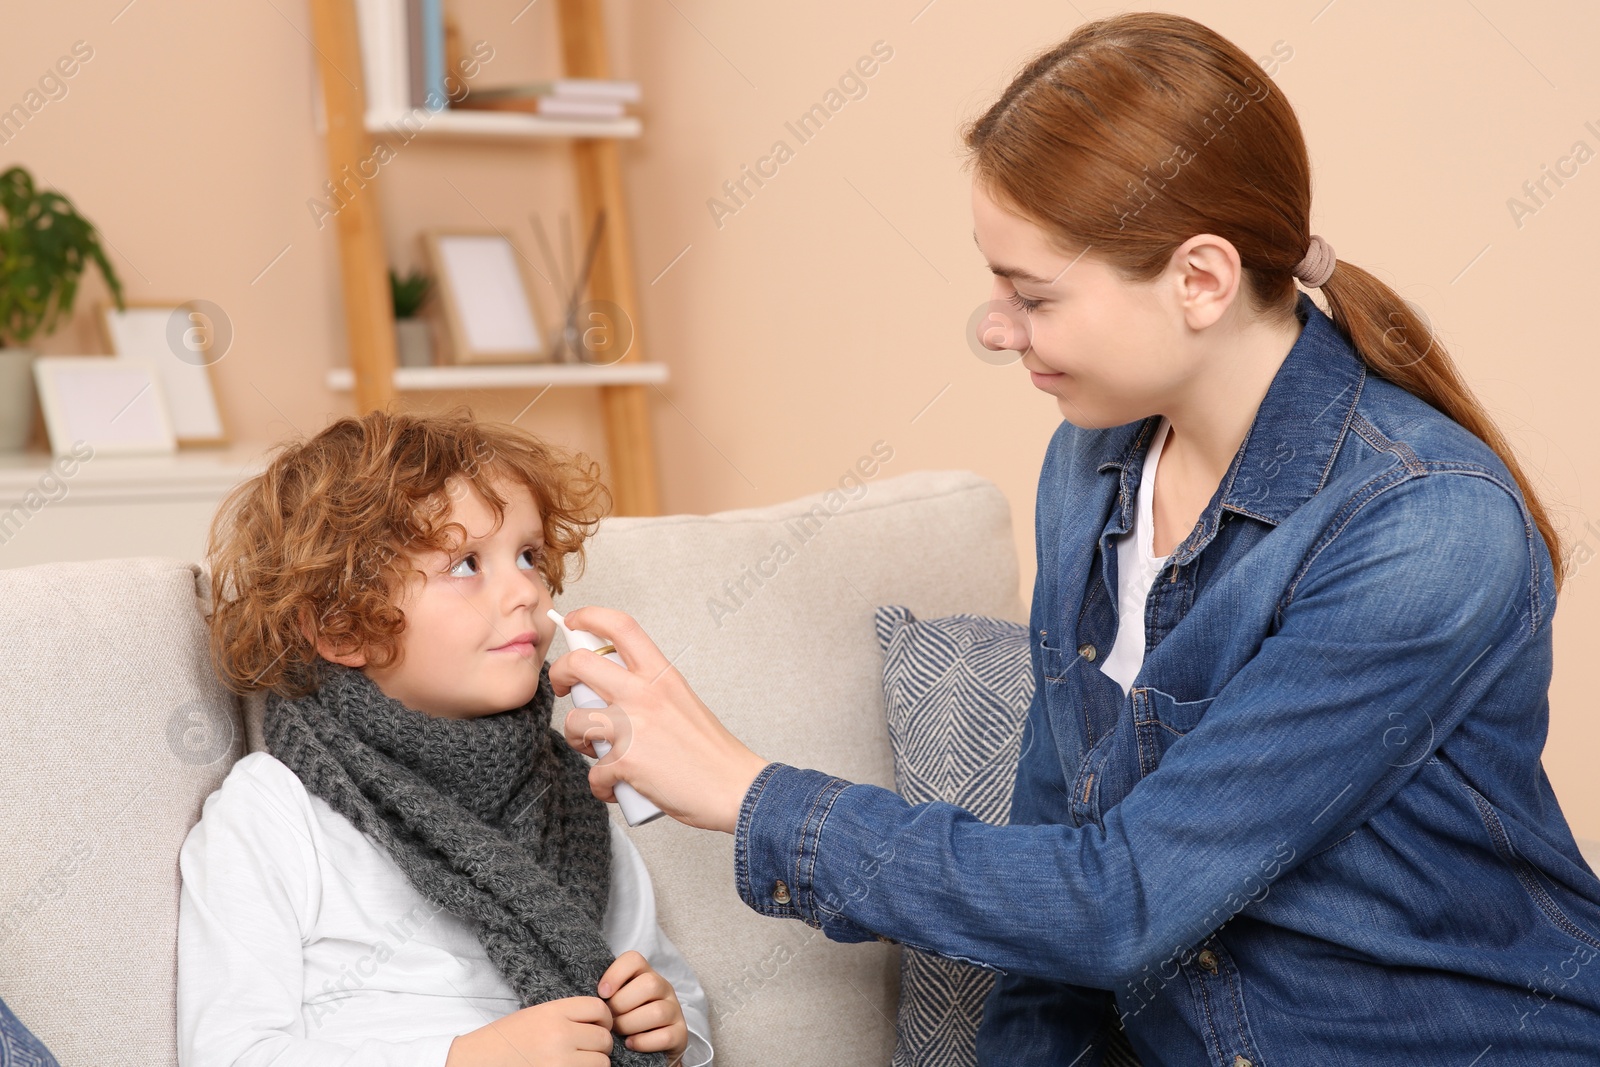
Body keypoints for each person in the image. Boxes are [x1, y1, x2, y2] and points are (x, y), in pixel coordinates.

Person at [546, 12, 1600, 1065]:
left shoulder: (1424, 523)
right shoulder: (1091, 469)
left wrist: (746, 789)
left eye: (1033, 293)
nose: (996, 328)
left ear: (1200, 278)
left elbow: (1119, 897)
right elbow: (1053, 879)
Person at [178, 409, 713, 1067]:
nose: (525, 589)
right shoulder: (272, 812)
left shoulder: (575, 801)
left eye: (528, 555)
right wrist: (460, 1059)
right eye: (466, 563)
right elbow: (229, 1053)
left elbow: (666, 981)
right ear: (344, 628)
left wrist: (673, 1025)